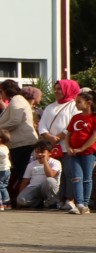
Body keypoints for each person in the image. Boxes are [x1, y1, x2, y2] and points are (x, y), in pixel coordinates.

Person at [36, 80, 81, 210]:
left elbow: (74, 124)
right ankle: (59, 199)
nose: (56, 91)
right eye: (55, 88)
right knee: (56, 174)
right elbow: (42, 124)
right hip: (52, 146)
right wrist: (49, 137)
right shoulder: (50, 107)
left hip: (66, 145)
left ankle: (70, 199)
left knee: (69, 173)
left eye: (59, 89)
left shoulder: (74, 106)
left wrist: (60, 136)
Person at [0, 79, 38, 188]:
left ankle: (27, 196)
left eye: (1, 91)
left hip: (22, 144)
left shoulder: (17, 99)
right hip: (19, 144)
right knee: (21, 173)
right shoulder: (16, 100)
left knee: (23, 174)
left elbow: (15, 121)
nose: (0, 94)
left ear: (6, 90)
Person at [58, 88, 94, 214]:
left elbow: (94, 136)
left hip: (88, 153)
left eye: (79, 102)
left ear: (88, 103)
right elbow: (68, 134)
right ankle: (79, 204)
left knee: (87, 178)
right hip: (74, 153)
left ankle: (85, 203)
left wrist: (82, 148)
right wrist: (68, 147)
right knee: (76, 177)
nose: (76, 104)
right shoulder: (75, 117)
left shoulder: (93, 118)